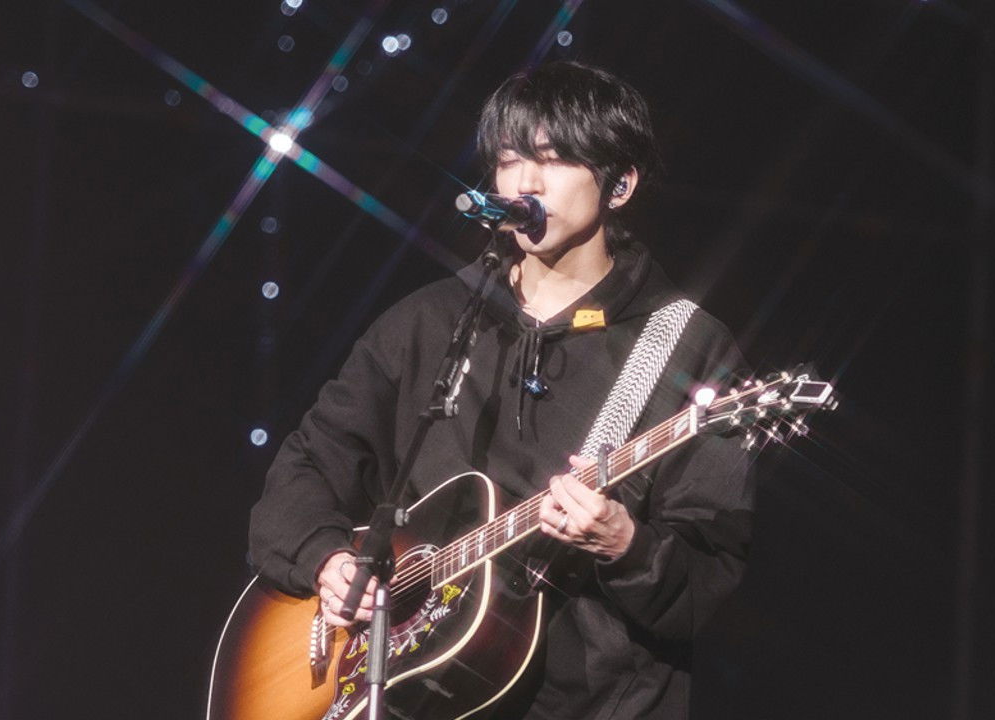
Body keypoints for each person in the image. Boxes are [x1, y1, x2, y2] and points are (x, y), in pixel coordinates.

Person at [249, 61, 755, 719]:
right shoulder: (428, 321)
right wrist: (324, 559)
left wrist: (624, 545)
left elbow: (711, 580)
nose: (525, 182)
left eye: (554, 158)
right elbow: (307, 466)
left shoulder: (686, 347)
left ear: (621, 183)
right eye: (510, 159)